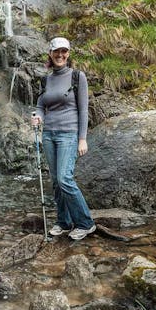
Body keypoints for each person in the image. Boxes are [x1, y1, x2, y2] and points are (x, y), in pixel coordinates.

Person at [30, 37, 96, 241]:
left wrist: (82, 139)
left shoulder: (77, 77)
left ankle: (86, 223)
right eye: (56, 51)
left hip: (69, 134)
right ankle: (64, 222)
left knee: (64, 178)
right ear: (50, 54)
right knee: (57, 183)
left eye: (64, 52)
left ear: (68, 54)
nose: (60, 55)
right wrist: (38, 115)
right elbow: (41, 104)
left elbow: (83, 110)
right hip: (48, 134)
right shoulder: (45, 80)